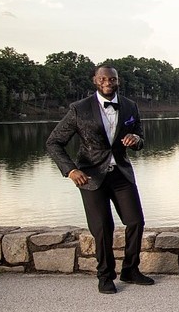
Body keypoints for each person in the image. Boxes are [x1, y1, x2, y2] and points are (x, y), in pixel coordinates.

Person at [46, 65, 154, 294]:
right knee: (103, 228)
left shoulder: (130, 106)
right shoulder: (79, 109)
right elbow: (53, 142)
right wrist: (71, 170)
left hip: (121, 174)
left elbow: (141, 140)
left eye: (112, 79)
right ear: (95, 80)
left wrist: (136, 139)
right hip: (90, 177)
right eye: (103, 78)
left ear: (118, 81)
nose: (108, 82)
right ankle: (105, 276)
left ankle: (130, 270)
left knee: (135, 221)